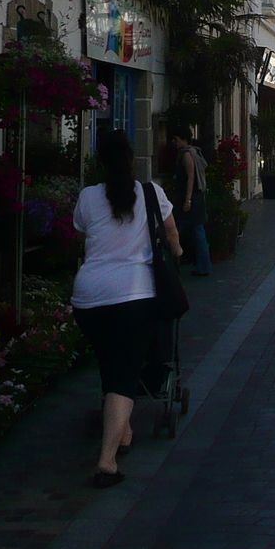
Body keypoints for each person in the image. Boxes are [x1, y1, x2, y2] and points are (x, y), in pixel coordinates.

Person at [72, 131, 181, 488]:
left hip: (88, 298)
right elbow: (171, 233)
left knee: (110, 362)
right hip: (133, 295)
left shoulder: (88, 197)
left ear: (101, 162)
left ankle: (125, 433)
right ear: (132, 160)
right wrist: (177, 255)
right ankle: (107, 461)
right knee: (124, 374)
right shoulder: (150, 193)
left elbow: (82, 231)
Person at [167, 124, 212, 277]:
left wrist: (187, 200)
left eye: (177, 139)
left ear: (184, 139)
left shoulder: (187, 155)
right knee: (197, 231)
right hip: (196, 198)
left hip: (191, 199)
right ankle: (203, 265)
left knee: (179, 229)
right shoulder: (194, 152)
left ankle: (173, 263)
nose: (175, 142)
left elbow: (190, 178)